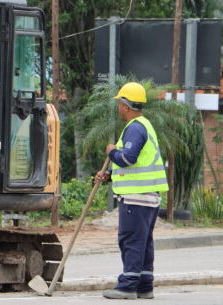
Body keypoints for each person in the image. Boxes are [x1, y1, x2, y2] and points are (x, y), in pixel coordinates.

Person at [95, 82, 169, 300]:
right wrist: (109, 176)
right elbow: (134, 168)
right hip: (147, 195)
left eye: (119, 103)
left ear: (126, 106)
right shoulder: (144, 125)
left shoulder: (135, 128)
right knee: (143, 241)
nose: (118, 108)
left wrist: (112, 151)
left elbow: (127, 159)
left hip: (137, 198)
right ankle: (145, 285)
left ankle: (127, 286)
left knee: (131, 240)